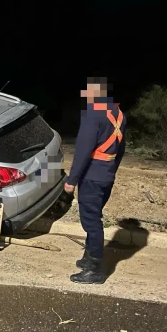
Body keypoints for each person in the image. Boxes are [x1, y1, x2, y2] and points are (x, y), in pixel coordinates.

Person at [64, 77, 126, 284]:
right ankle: (88, 257)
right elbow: (121, 150)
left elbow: (83, 150)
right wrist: (111, 171)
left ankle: (95, 270)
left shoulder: (93, 114)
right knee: (95, 218)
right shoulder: (119, 115)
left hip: (91, 176)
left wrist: (72, 179)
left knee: (91, 223)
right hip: (106, 175)